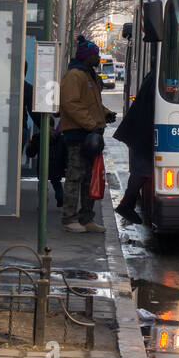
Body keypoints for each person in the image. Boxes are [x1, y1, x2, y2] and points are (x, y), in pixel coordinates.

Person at [59, 37, 115, 233]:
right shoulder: (75, 76)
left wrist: (105, 114)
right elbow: (71, 104)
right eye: (95, 54)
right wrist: (91, 124)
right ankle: (69, 218)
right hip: (78, 134)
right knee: (75, 175)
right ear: (86, 56)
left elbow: (92, 105)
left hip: (91, 135)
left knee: (89, 177)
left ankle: (86, 217)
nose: (98, 57)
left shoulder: (88, 75)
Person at [114, 69, 156, 226]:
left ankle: (127, 204)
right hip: (142, 132)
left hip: (140, 130)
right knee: (142, 170)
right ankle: (126, 205)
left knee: (142, 169)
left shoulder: (153, 76)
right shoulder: (157, 78)